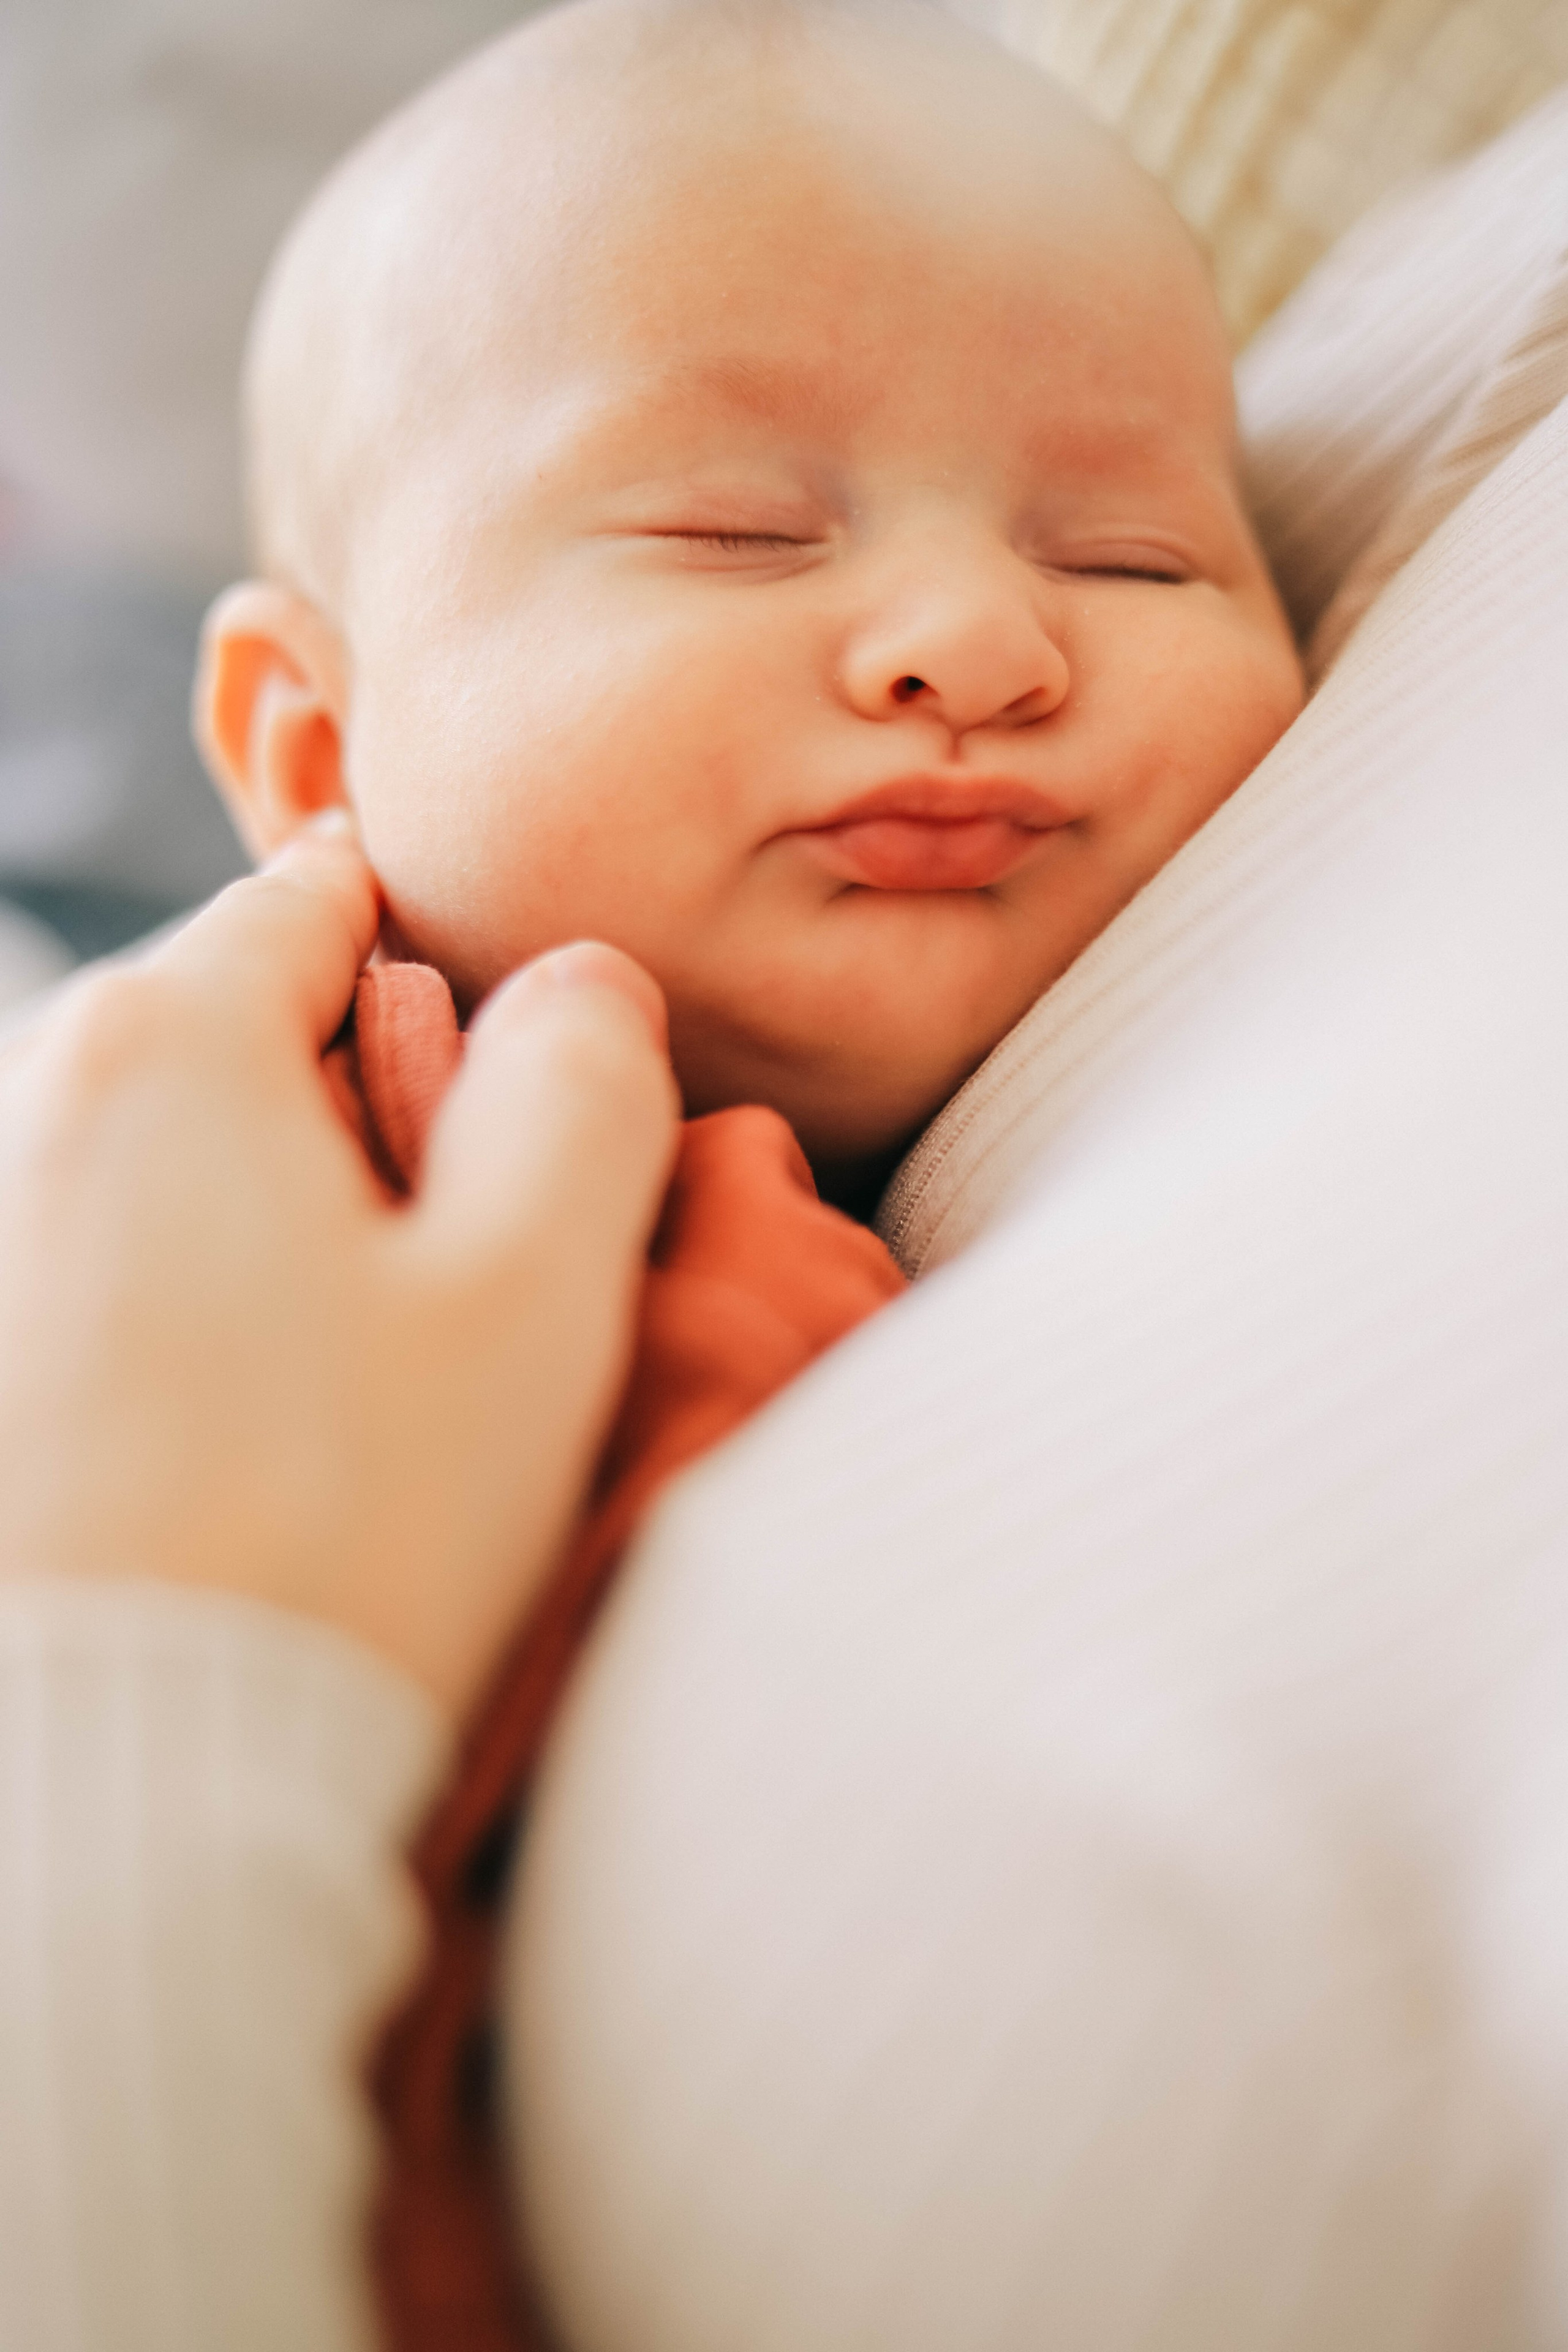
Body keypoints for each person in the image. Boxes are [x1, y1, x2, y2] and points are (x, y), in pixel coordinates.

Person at [194, 0, 1303, 1212]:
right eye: (735, 534)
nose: (977, 642)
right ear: (316, 752)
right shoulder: (212, 1163)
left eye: (1123, 558)